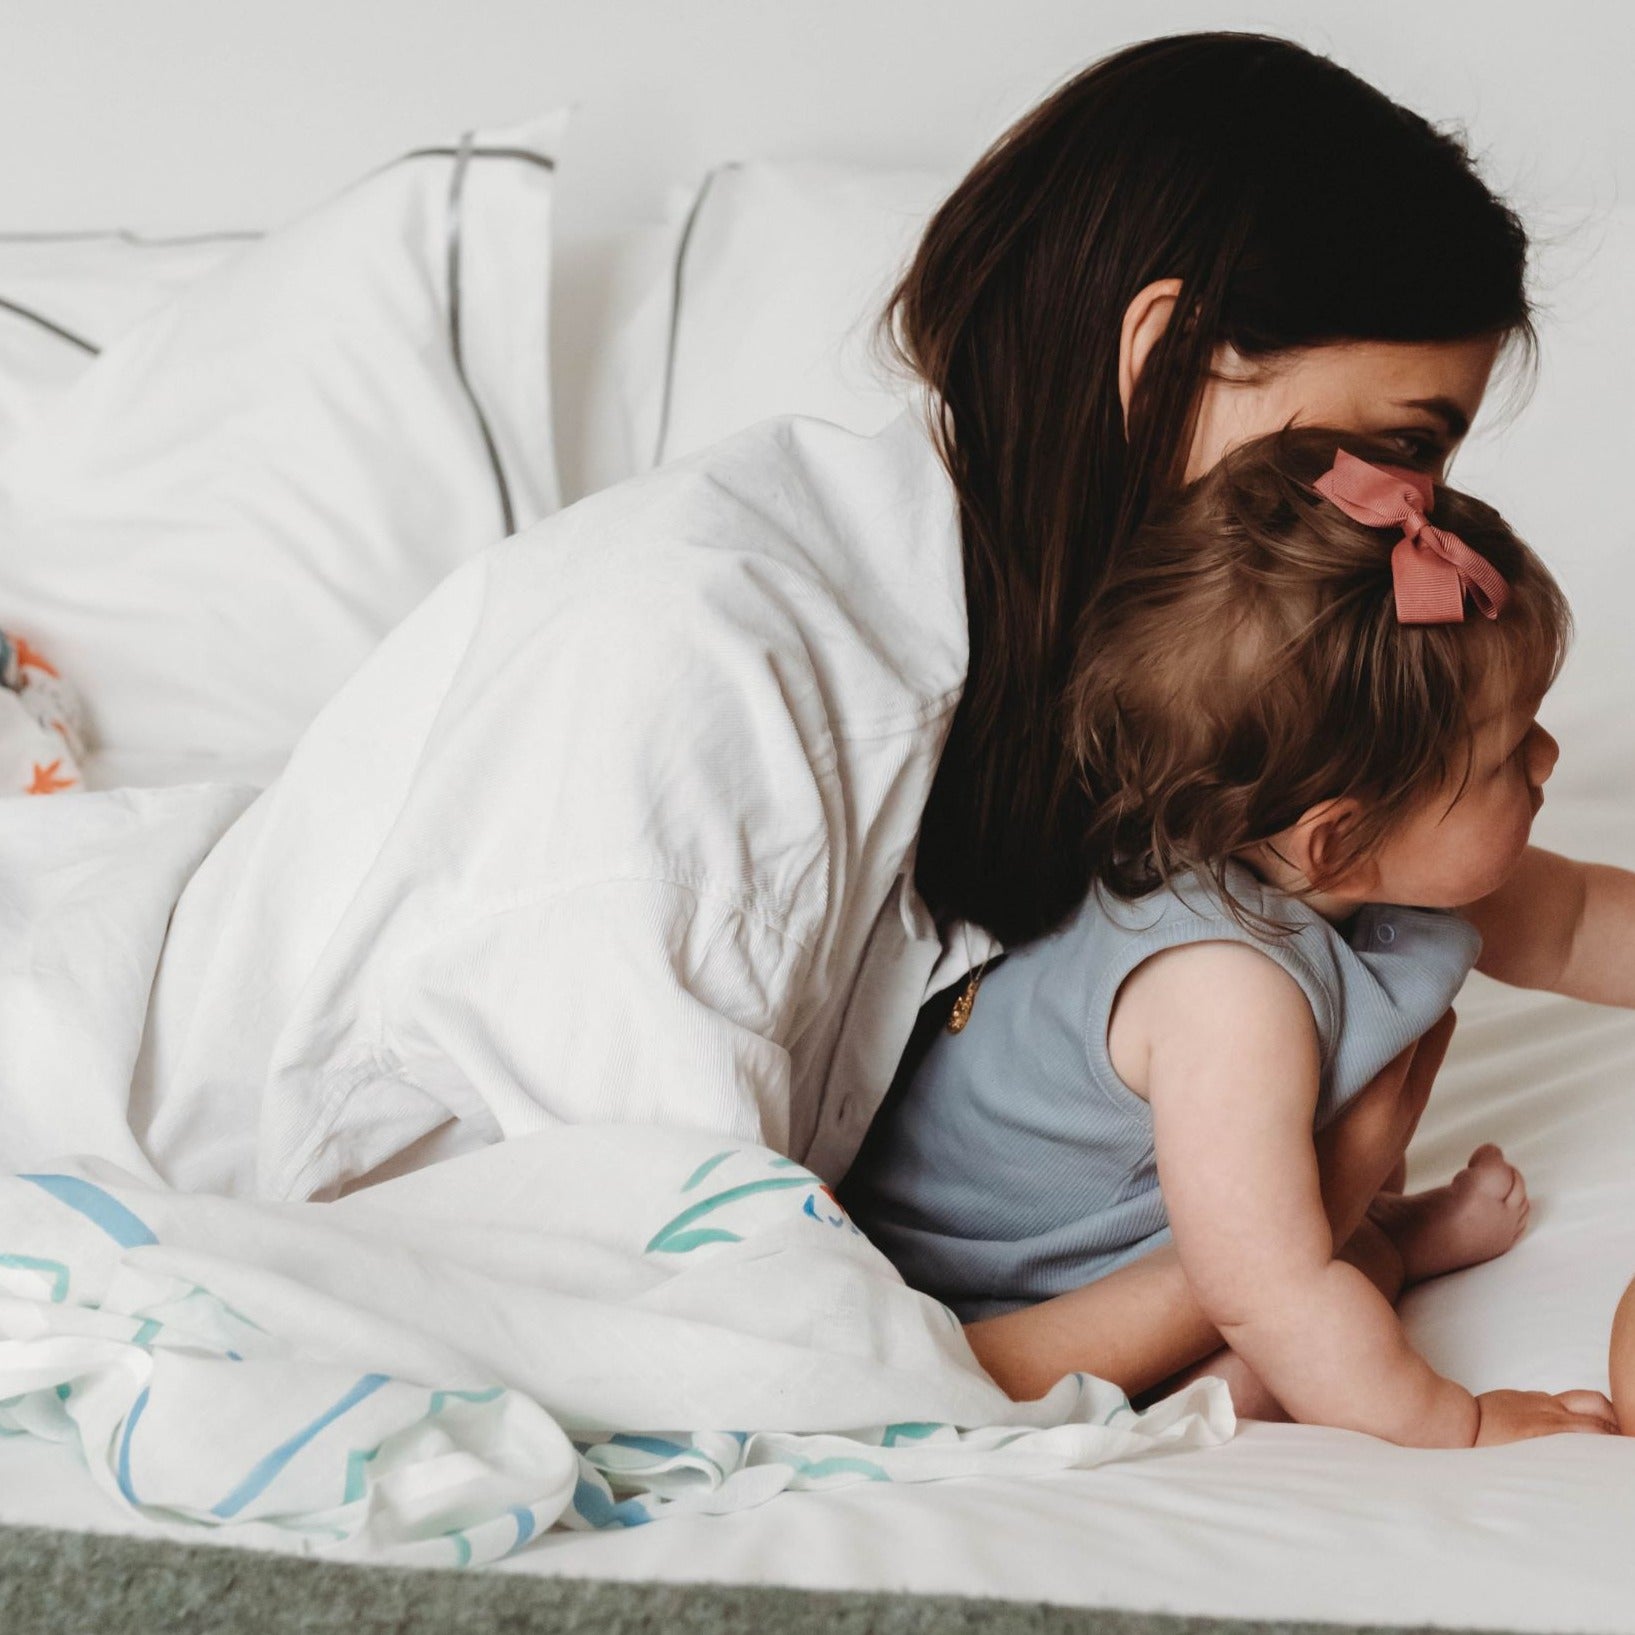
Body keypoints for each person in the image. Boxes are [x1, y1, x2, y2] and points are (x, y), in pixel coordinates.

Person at [129, 33, 1613, 1434]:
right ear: (1163, 356)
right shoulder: (706, 686)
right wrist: (1281, 1230)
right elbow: (715, 1348)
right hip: (199, 1119)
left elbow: (1546, 910)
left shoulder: (1127, 687)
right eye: (1397, 449)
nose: (1411, 527)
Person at [840, 429, 1629, 1446]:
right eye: (1509, 751)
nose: (1549, 757)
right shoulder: (1227, 993)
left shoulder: (1388, 856)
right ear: (1339, 838)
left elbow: (1578, 925)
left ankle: (1390, 1236)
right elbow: (1272, 1288)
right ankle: (1390, 1245)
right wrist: (1461, 1426)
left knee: (1295, 1247)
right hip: (1008, 1288)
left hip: (1219, 1224)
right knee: (1257, 1373)